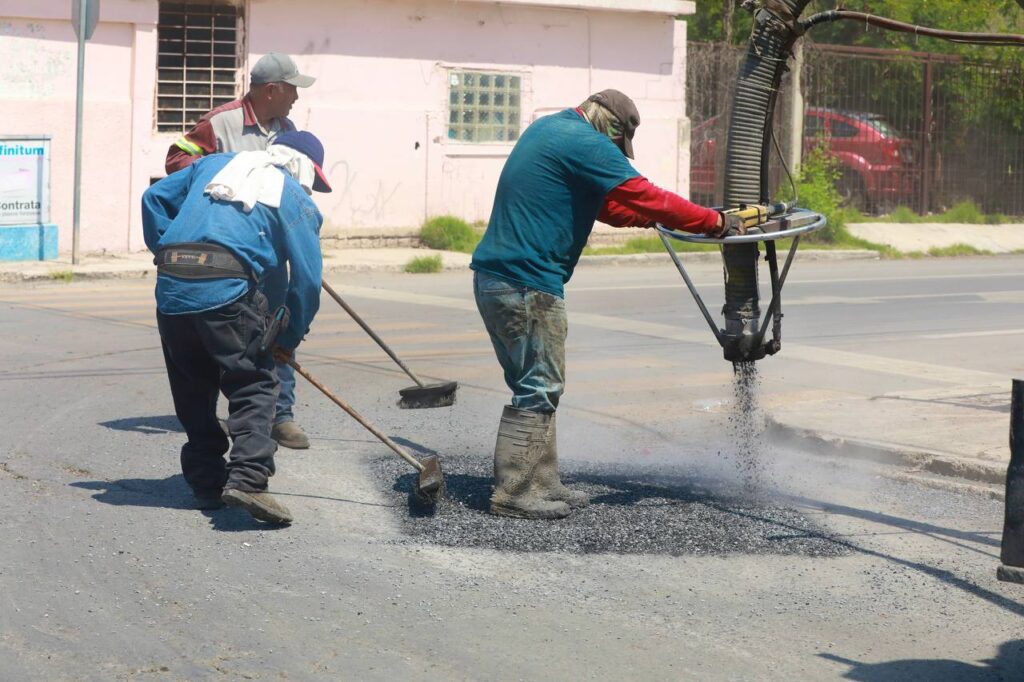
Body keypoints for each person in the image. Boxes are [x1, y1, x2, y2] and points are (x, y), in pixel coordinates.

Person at [471, 89, 758, 520]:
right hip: (526, 284)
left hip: (501, 279)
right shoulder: (583, 140)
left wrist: (659, 218)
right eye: (616, 142)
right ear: (607, 122)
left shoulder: (552, 130)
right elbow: (643, 193)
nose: (613, 151)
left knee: (536, 385)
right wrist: (713, 221)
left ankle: (542, 483)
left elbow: (609, 206)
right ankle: (513, 494)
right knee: (539, 388)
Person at [142, 131, 331, 524]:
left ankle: (207, 484)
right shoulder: (294, 195)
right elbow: (308, 284)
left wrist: (171, 251)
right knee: (255, 383)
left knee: (194, 386)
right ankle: (247, 480)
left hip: (172, 285)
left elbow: (154, 198)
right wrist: (288, 338)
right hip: (226, 285)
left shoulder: (212, 165)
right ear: (304, 168)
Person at [165, 52, 318, 451]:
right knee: (235, 338)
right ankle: (244, 414)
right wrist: (223, 170)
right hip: (226, 251)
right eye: (292, 90)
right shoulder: (220, 122)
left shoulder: (287, 127)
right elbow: (177, 160)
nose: (296, 99)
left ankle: (279, 415)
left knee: (278, 326)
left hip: (269, 250)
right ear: (272, 89)